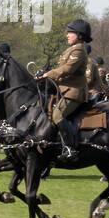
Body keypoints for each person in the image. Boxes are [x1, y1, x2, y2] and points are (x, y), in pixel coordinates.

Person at [39, 19, 91, 158]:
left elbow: (67, 69)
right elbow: (61, 69)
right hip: (64, 91)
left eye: (70, 33)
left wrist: (48, 74)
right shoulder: (70, 50)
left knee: (57, 115)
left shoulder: (79, 50)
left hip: (74, 93)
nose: (67, 35)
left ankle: (70, 148)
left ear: (79, 35)